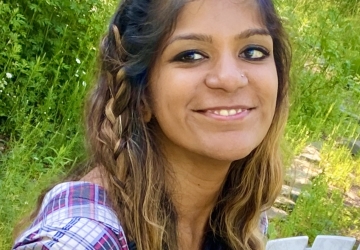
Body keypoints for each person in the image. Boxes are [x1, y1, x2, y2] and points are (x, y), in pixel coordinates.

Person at [13, 0, 291, 249]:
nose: (231, 79)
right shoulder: (88, 234)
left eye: (253, 51)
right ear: (141, 94)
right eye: (191, 55)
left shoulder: (245, 214)